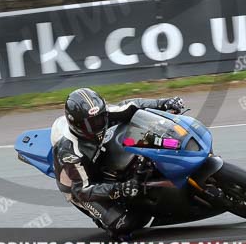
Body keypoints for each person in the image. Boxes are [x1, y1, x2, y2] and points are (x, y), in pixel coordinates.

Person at [51, 87, 185, 236]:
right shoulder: (70, 152)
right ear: (76, 124)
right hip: (81, 186)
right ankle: (102, 218)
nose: (98, 125)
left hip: (100, 156)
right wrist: (120, 189)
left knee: (136, 134)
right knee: (125, 225)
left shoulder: (105, 114)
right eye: (91, 123)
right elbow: (82, 191)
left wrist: (163, 103)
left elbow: (132, 106)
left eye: (100, 118)